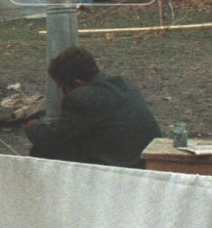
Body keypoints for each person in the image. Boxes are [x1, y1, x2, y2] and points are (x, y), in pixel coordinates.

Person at [24, 45, 161, 169]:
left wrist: (32, 125)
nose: (62, 93)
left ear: (78, 83)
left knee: (43, 151)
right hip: (141, 160)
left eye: (62, 87)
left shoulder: (82, 98)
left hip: (122, 168)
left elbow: (50, 138)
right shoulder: (122, 85)